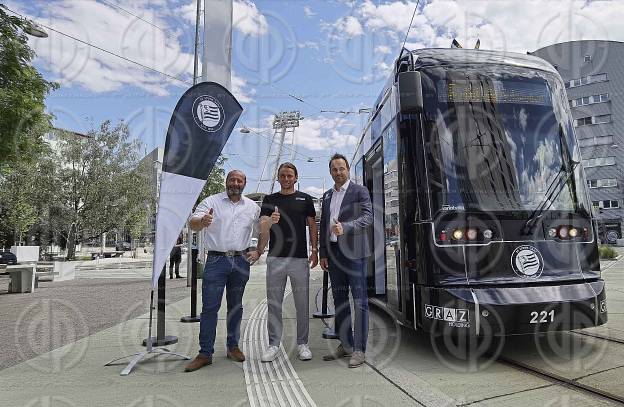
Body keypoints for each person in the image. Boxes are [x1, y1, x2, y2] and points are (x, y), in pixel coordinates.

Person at [184, 170, 261, 372]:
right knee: (210, 307)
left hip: (241, 261)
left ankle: (232, 347)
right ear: (226, 182)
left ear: (245, 183)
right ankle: (205, 353)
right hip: (216, 261)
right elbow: (192, 222)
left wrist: (259, 251)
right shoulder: (212, 202)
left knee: (236, 306)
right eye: (232, 179)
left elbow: (262, 229)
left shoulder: (252, 207)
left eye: (239, 180)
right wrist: (201, 222)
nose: (235, 183)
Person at [254, 162, 318, 363]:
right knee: (274, 304)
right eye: (283, 175)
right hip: (276, 258)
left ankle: (302, 343)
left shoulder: (305, 199)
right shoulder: (270, 199)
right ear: (278, 178)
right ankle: (273, 344)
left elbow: (312, 226)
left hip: (299, 259)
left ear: (296, 178)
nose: (286, 178)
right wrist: (270, 222)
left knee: (302, 304)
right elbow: (262, 228)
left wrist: (315, 250)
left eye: (290, 175)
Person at [319, 153, 372, 368]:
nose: (338, 172)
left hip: (355, 254)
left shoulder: (360, 191)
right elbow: (324, 225)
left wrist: (347, 227)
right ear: (330, 172)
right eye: (334, 169)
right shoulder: (327, 196)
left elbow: (368, 217)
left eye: (341, 168)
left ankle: (359, 350)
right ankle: (346, 344)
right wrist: (323, 253)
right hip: (333, 254)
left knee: (359, 301)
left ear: (348, 169)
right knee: (340, 301)